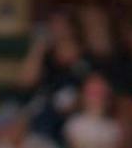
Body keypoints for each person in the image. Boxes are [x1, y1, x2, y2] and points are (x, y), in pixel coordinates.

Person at [22, 9, 95, 140]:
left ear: (72, 28)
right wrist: (38, 47)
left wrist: (78, 103)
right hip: (44, 112)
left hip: (77, 112)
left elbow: (93, 89)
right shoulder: (46, 56)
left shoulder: (86, 58)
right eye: (52, 24)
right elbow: (25, 82)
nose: (55, 28)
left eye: (60, 23)